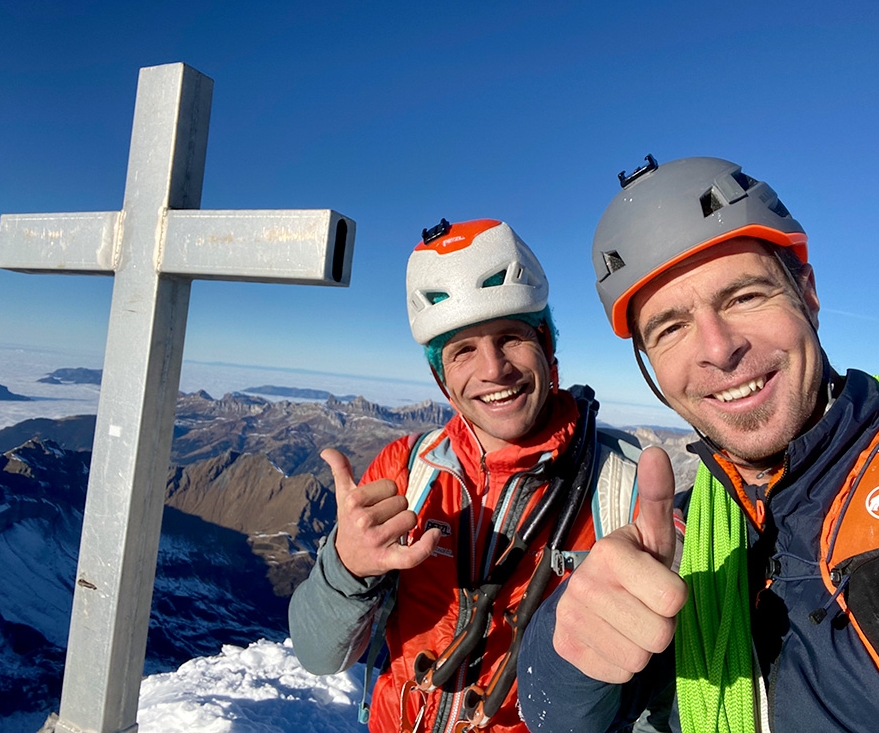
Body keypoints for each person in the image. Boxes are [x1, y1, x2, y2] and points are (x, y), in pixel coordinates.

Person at [517, 155, 879, 732]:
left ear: (806, 291)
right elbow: (555, 718)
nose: (718, 348)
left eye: (743, 297)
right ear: (649, 364)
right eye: (672, 327)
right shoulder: (689, 535)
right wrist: (571, 644)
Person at [288, 218, 678, 733]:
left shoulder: (620, 490)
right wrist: (346, 568)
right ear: (442, 378)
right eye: (463, 350)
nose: (493, 369)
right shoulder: (405, 471)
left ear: (547, 348)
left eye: (511, 338)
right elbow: (320, 656)